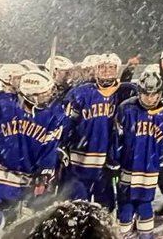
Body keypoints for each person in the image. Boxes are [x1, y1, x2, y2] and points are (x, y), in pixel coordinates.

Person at [0, 69, 68, 239]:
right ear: (30, 95)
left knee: (14, 226)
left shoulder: (54, 113)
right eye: (44, 94)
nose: (49, 96)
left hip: (26, 179)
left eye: (49, 92)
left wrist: (45, 172)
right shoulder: (2, 103)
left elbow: (51, 146)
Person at [60, 53, 138, 208]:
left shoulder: (127, 92)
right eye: (102, 68)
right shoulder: (80, 93)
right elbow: (67, 124)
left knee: (106, 205)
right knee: (77, 205)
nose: (106, 72)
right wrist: (61, 146)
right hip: (80, 160)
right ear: (95, 70)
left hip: (109, 162)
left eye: (110, 68)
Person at [114, 65, 163, 239]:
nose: (150, 98)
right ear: (139, 92)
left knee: (145, 206)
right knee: (125, 207)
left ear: (159, 94)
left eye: (154, 94)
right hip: (127, 168)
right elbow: (116, 139)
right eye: (146, 94)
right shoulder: (126, 109)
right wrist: (113, 161)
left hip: (150, 169)